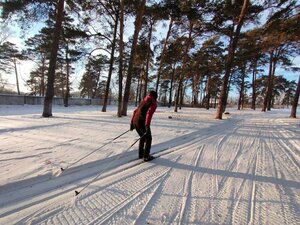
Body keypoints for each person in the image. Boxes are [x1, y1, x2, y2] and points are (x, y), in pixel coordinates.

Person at [130, 90, 158, 161]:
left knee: (142, 137)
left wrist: (132, 123)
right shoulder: (153, 102)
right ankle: (146, 156)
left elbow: (135, 111)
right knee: (148, 138)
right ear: (155, 97)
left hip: (135, 120)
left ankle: (141, 154)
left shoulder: (144, 100)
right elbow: (149, 113)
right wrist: (147, 125)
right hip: (142, 121)